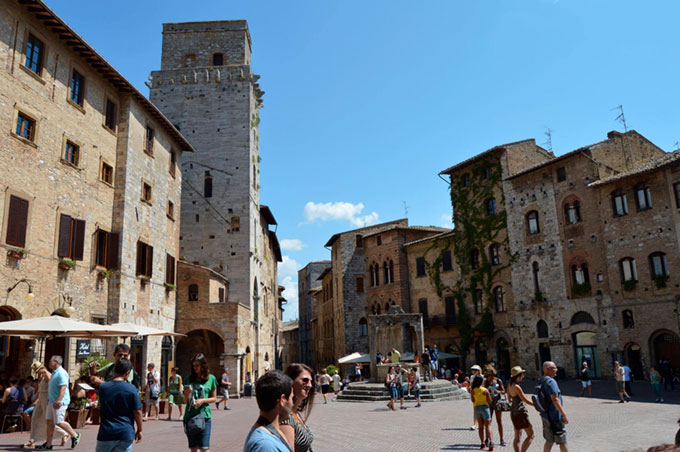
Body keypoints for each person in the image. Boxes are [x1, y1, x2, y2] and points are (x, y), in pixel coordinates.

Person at [96, 358, 143, 452]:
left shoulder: (103, 387)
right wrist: (140, 429)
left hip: (106, 432)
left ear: (114, 370)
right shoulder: (131, 389)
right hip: (125, 432)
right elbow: (137, 411)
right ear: (127, 372)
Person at [36, 355, 80, 450]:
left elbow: (63, 388)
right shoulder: (54, 373)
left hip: (59, 402)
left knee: (59, 422)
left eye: (50, 361)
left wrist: (59, 401)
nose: (48, 363)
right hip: (51, 401)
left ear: (55, 362)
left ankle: (74, 434)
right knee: (49, 422)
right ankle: (48, 444)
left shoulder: (61, 373)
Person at [243, 370, 294, 452]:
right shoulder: (265, 445)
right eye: (292, 398)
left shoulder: (270, 434)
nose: (293, 404)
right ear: (282, 400)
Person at [23, 362, 68, 450]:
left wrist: (51, 400)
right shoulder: (41, 376)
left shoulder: (48, 375)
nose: (36, 373)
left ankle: (64, 433)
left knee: (47, 421)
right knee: (35, 418)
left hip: (46, 399)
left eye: (37, 371)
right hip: (41, 399)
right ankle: (32, 439)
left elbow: (52, 388)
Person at [183, 353, 218, 452]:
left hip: (204, 417)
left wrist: (202, 401)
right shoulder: (188, 379)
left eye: (197, 366)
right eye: (193, 366)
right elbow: (185, 401)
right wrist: (187, 393)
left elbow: (214, 398)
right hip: (190, 417)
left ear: (203, 365)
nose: (195, 368)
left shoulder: (211, 379)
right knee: (193, 449)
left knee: (204, 448)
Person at [280, 364, 315, 452]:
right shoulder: (286, 418)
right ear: (290, 381)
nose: (309, 385)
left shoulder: (295, 413)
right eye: (305, 380)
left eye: (311, 381)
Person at [538, 361, 568, 452]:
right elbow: (555, 399)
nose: (556, 370)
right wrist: (564, 415)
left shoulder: (541, 380)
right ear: (547, 369)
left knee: (549, 441)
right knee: (562, 441)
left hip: (545, 415)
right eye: (554, 368)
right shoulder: (551, 382)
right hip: (555, 417)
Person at [507, 366, 534, 452]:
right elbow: (525, 400)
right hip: (520, 413)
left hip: (513, 412)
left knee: (517, 437)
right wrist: (536, 405)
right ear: (518, 376)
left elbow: (509, 399)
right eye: (522, 375)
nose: (523, 377)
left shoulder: (510, 385)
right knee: (531, 435)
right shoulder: (517, 387)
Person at [471, 375, 494, 451]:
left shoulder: (473, 390)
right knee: (488, 426)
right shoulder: (485, 390)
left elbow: (473, 400)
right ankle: (491, 442)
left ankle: (482, 443)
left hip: (477, 408)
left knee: (480, 427)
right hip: (485, 408)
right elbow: (489, 401)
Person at [469, 364, 483, 431]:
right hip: (475, 393)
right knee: (475, 409)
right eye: (473, 370)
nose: (474, 371)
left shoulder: (482, 377)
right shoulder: (472, 377)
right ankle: (475, 424)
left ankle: (482, 423)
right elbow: (471, 386)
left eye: (475, 370)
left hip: (482, 393)